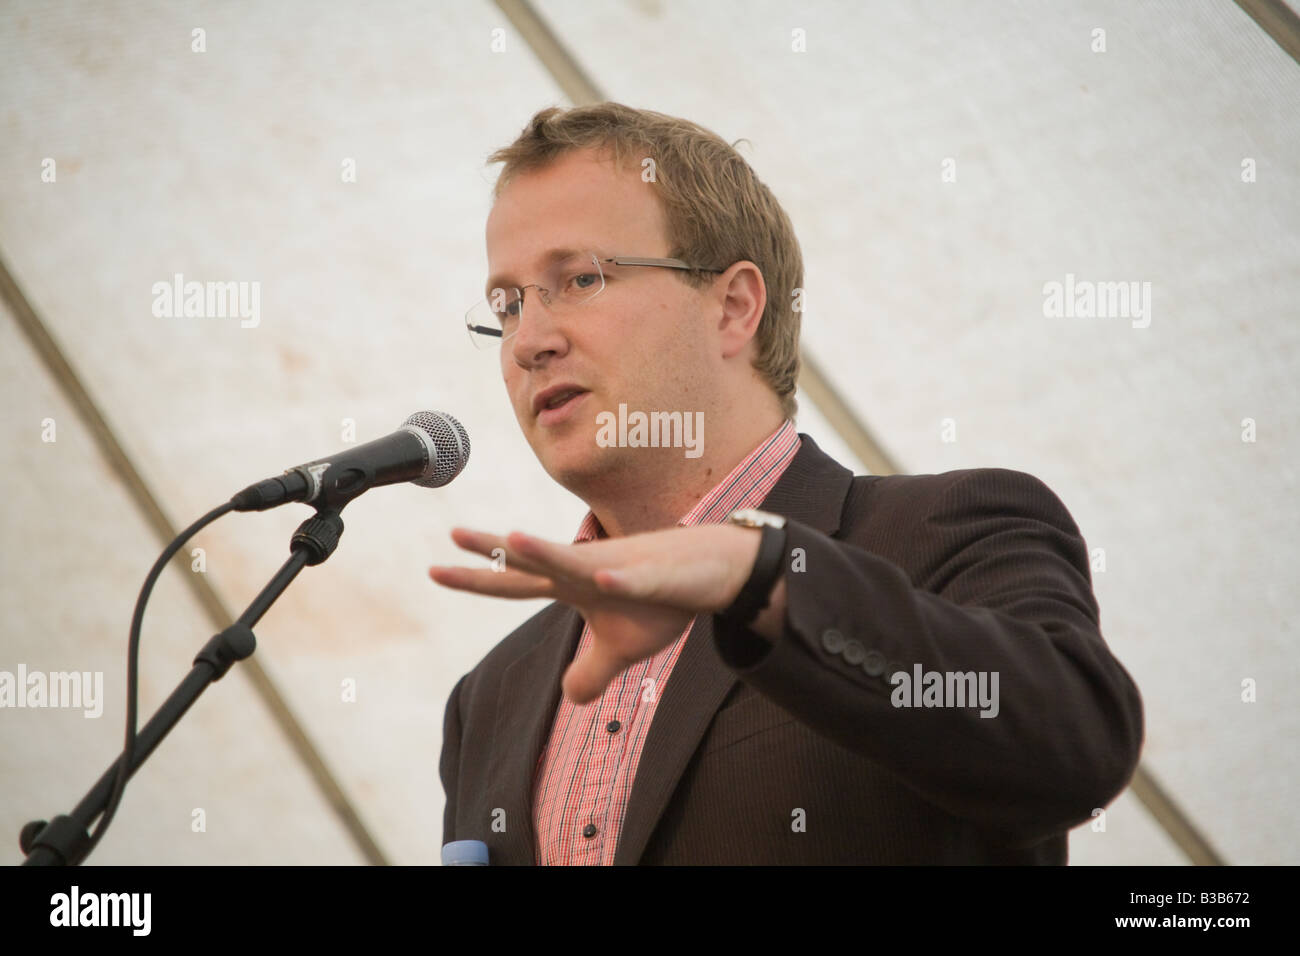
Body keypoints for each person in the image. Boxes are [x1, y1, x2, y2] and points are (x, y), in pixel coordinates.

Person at [430, 102, 1144, 865]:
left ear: (734, 307)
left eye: (579, 278)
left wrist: (757, 573)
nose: (530, 341)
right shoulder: (491, 695)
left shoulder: (949, 531)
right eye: (507, 306)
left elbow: (1078, 746)